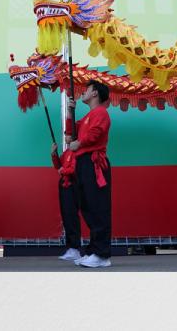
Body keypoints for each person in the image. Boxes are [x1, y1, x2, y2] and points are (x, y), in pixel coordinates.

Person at [68, 80, 113, 268]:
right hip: (83, 163)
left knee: (98, 208)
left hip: (94, 163)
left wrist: (79, 143)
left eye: (87, 89)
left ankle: (102, 255)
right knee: (88, 208)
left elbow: (95, 134)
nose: (83, 92)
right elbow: (70, 133)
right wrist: (70, 112)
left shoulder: (101, 112)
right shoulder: (88, 116)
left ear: (95, 93)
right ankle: (94, 251)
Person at [51, 137, 84, 261]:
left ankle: (75, 248)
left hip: (72, 185)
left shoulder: (78, 151)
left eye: (67, 134)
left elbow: (74, 169)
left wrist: (63, 170)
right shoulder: (67, 152)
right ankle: (71, 248)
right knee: (66, 215)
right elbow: (58, 165)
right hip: (64, 185)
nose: (65, 136)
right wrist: (54, 153)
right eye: (65, 134)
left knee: (71, 215)